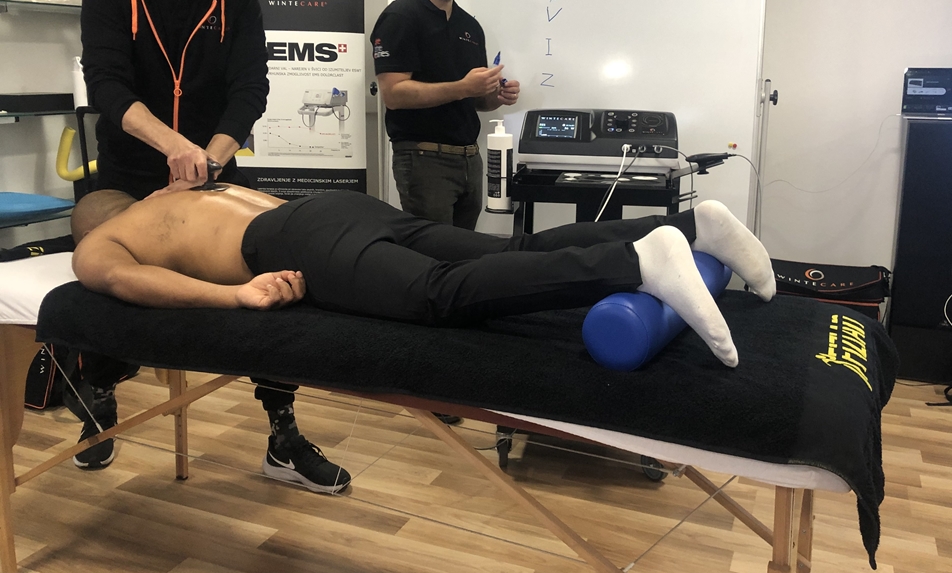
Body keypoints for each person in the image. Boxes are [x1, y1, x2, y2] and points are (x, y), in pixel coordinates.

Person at [77, 0, 347, 494]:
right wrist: (174, 147)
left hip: (208, 174)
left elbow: (250, 90)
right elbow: (107, 86)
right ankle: (98, 384)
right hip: (130, 173)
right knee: (98, 245)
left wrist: (207, 159)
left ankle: (282, 433)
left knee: (274, 258)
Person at [70, 182, 777, 371]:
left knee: (437, 296)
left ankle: (637, 263)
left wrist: (234, 293)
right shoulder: (177, 195)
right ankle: (693, 226)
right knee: (510, 251)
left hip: (294, 238)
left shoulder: (99, 239)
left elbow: (125, 283)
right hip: (337, 207)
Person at [370, 0, 521, 230]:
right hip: (424, 159)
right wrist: (463, 87)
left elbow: (475, 100)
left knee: (464, 251)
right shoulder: (400, 17)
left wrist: (496, 96)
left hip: (470, 159)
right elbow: (394, 94)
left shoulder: (470, 26)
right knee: (434, 253)